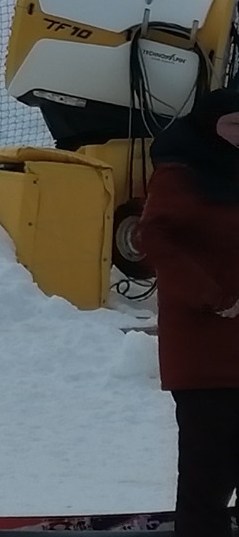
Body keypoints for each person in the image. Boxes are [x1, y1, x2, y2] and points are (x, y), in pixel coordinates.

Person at [138, 87, 239, 537]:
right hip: (205, 354)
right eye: (236, 124)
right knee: (207, 482)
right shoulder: (183, 173)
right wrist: (214, 295)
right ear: (209, 125)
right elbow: (154, 239)